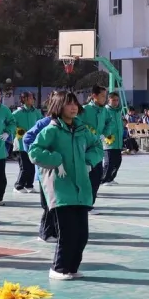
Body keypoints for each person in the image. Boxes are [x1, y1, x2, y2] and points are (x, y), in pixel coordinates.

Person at [28, 91, 99, 280]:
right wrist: (56, 159)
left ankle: (72, 268)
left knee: (82, 235)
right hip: (61, 188)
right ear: (59, 107)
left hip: (81, 188)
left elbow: (97, 146)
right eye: (69, 104)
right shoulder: (51, 130)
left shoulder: (82, 129)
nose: (73, 107)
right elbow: (34, 151)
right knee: (67, 234)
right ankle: (58, 269)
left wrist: (89, 161)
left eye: (75, 103)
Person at [24, 91, 64, 244]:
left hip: (62, 171)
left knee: (58, 202)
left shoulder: (69, 123)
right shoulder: (45, 123)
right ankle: (45, 233)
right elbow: (27, 139)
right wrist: (40, 157)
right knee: (49, 203)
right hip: (46, 171)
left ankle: (55, 230)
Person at [78, 86, 108, 210]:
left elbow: (110, 122)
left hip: (98, 149)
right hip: (85, 149)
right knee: (87, 177)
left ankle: (89, 203)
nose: (104, 99)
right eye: (102, 96)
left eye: (105, 96)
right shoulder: (84, 110)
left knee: (97, 175)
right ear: (94, 96)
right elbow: (76, 124)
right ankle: (84, 204)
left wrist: (104, 133)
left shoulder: (104, 111)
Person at [12, 92, 42, 193]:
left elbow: (41, 124)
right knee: (24, 166)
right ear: (23, 99)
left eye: (32, 97)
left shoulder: (36, 112)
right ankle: (18, 186)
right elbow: (10, 124)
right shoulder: (17, 113)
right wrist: (16, 131)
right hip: (21, 144)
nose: (32, 99)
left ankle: (29, 185)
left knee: (32, 164)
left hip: (33, 143)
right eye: (29, 97)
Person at [101, 91, 126, 185]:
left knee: (118, 161)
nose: (115, 102)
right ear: (109, 100)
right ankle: (104, 179)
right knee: (109, 162)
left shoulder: (118, 111)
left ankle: (111, 178)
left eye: (117, 100)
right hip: (109, 141)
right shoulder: (105, 111)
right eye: (113, 100)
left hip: (118, 142)